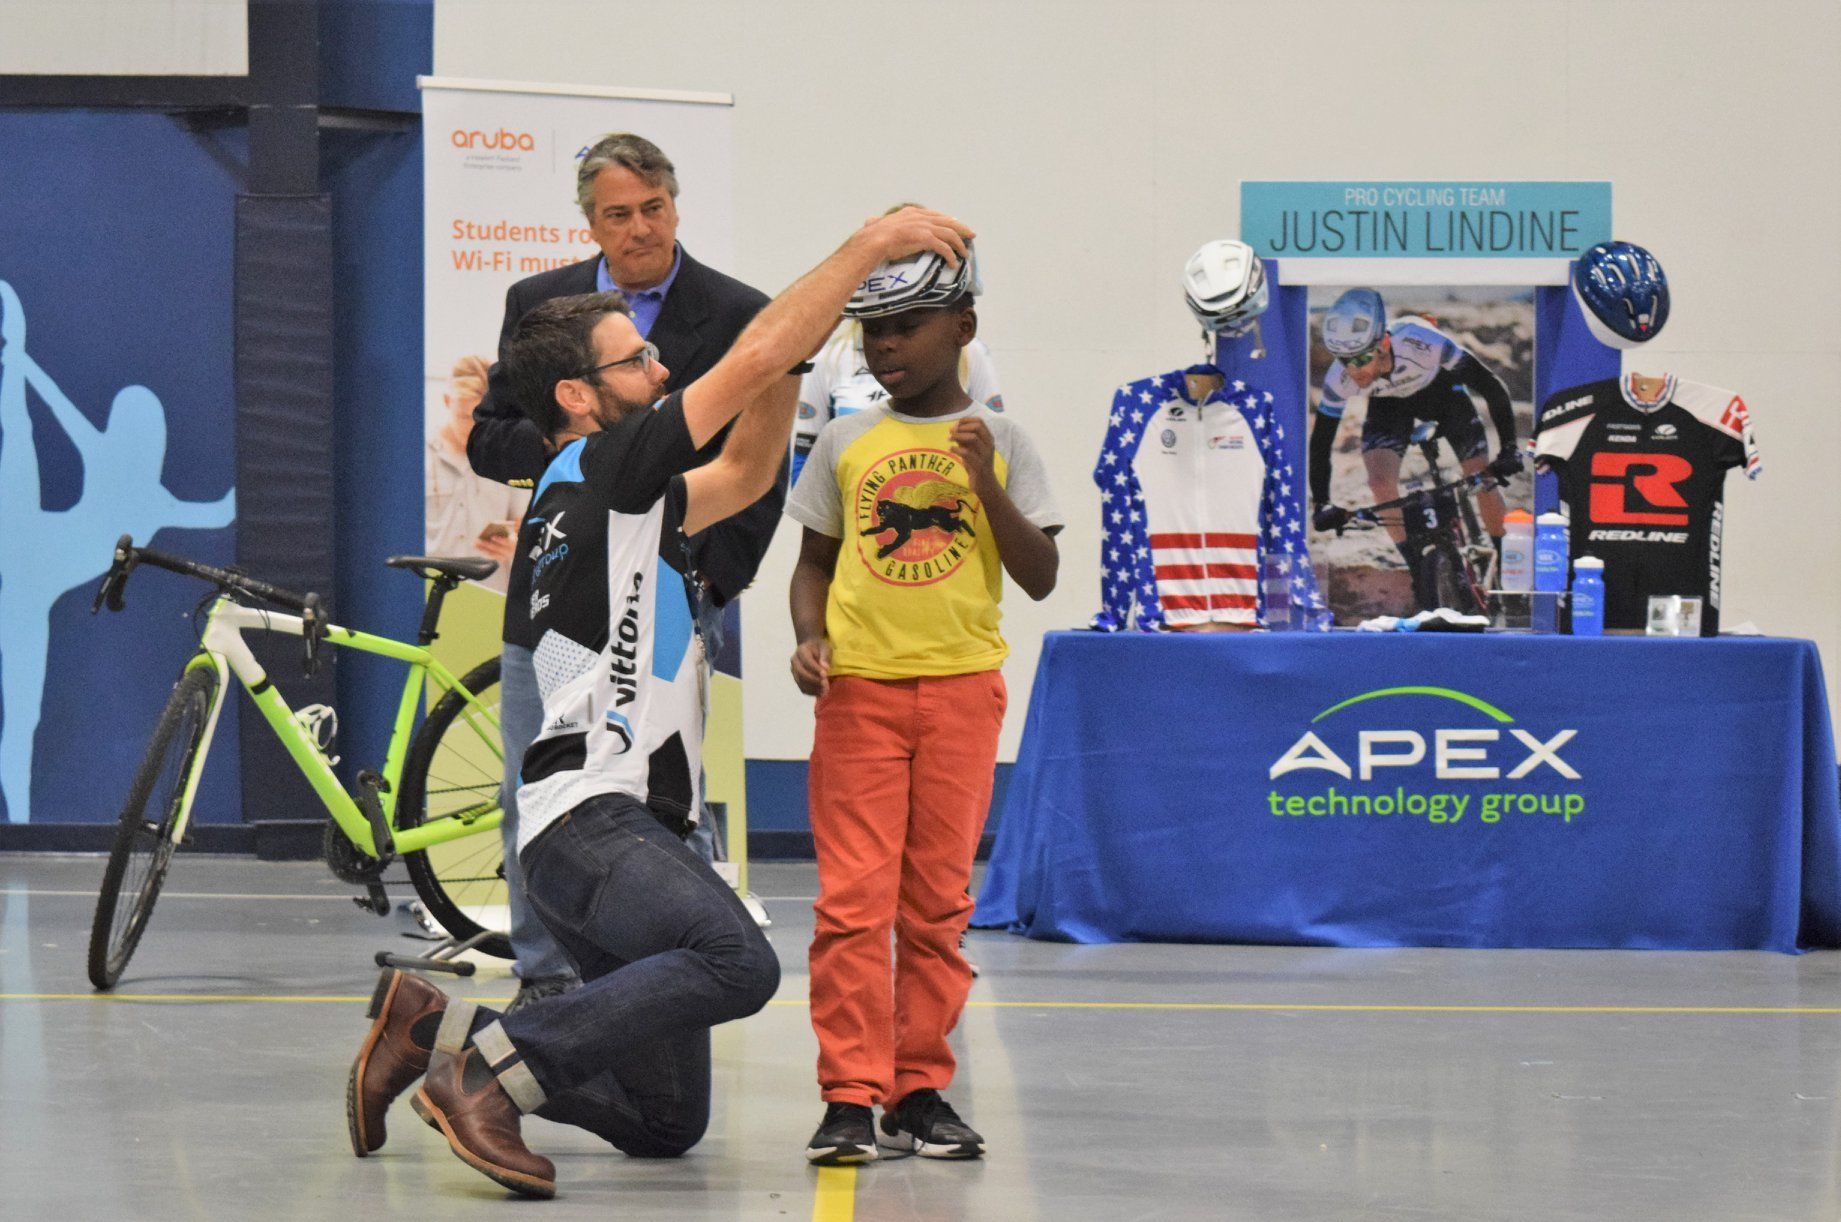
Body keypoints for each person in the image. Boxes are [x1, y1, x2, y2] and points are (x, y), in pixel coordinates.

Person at [346, 206, 975, 1201]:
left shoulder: (596, 493)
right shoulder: (605, 461)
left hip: (588, 840)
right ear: (576, 396)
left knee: (664, 1119)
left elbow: (746, 470)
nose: (659, 374)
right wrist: (867, 245)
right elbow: (751, 350)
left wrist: (790, 368)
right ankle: (488, 1073)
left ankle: (433, 1034)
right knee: (737, 960)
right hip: (596, 827)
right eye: (635, 362)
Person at [465, 132, 784, 1006]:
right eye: (618, 214)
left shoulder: (735, 309)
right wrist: (589, 455)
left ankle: (647, 972)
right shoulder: (542, 301)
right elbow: (489, 436)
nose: (639, 228)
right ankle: (544, 979)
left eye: (653, 209)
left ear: (675, 207)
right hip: (568, 583)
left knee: (666, 783)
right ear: (590, 223)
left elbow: (752, 475)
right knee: (534, 779)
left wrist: (713, 576)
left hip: (682, 576)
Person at [785, 246, 1062, 1164]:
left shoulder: (1004, 440)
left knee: (936, 905)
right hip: (859, 694)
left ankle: (919, 1087)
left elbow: (1039, 576)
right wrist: (808, 636)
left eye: (906, 327)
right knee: (852, 904)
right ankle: (848, 1094)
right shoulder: (843, 441)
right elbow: (813, 564)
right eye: (872, 331)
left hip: (961, 694)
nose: (885, 346)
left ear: (963, 329)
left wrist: (982, 480)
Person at [1307, 288, 1523, 608]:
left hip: (1442, 396)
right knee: (1380, 483)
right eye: (1345, 361)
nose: (1355, 370)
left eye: (1362, 358)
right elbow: (1321, 441)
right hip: (1388, 408)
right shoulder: (1340, 379)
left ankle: (1508, 571)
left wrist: (1508, 449)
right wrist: (1323, 503)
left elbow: (1490, 384)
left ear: (1382, 344)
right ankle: (1418, 570)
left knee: (1481, 475)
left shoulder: (1420, 341)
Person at [424, 354, 522, 591]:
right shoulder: (419, 458)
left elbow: (523, 525)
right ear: (447, 401)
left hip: (491, 596)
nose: (471, 428)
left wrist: (515, 548)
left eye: (481, 420)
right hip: (429, 594)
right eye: (462, 417)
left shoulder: (510, 459)